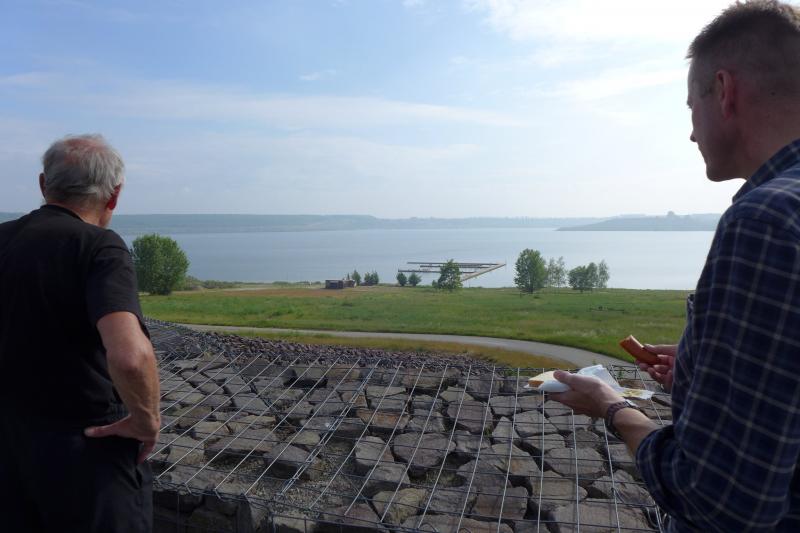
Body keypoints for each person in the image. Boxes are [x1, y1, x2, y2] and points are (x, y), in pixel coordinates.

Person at [550, 1, 800, 531]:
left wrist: (614, 408)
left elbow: (720, 500)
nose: (690, 134)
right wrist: (702, 372)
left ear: (725, 91)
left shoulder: (766, 220)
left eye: (691, 107)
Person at [0, 134, 161, 532]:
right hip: (88, 455)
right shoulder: (99, 247)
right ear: (114, 195)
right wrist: (145, 420)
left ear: (44, 185)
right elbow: (130, 356)